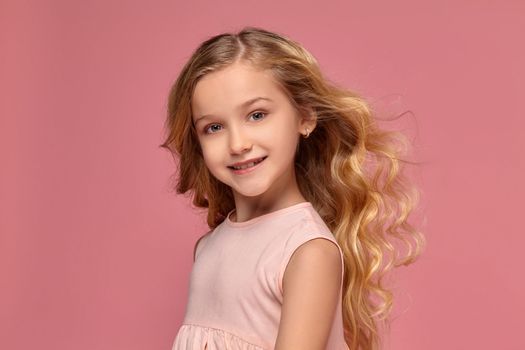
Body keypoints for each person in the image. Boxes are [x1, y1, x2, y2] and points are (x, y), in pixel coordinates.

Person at [160, 27, 425, 350]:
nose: (238, 143)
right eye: (214, 127)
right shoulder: (208, 248)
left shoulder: (307, 250)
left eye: (257, 115)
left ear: (305, 116)